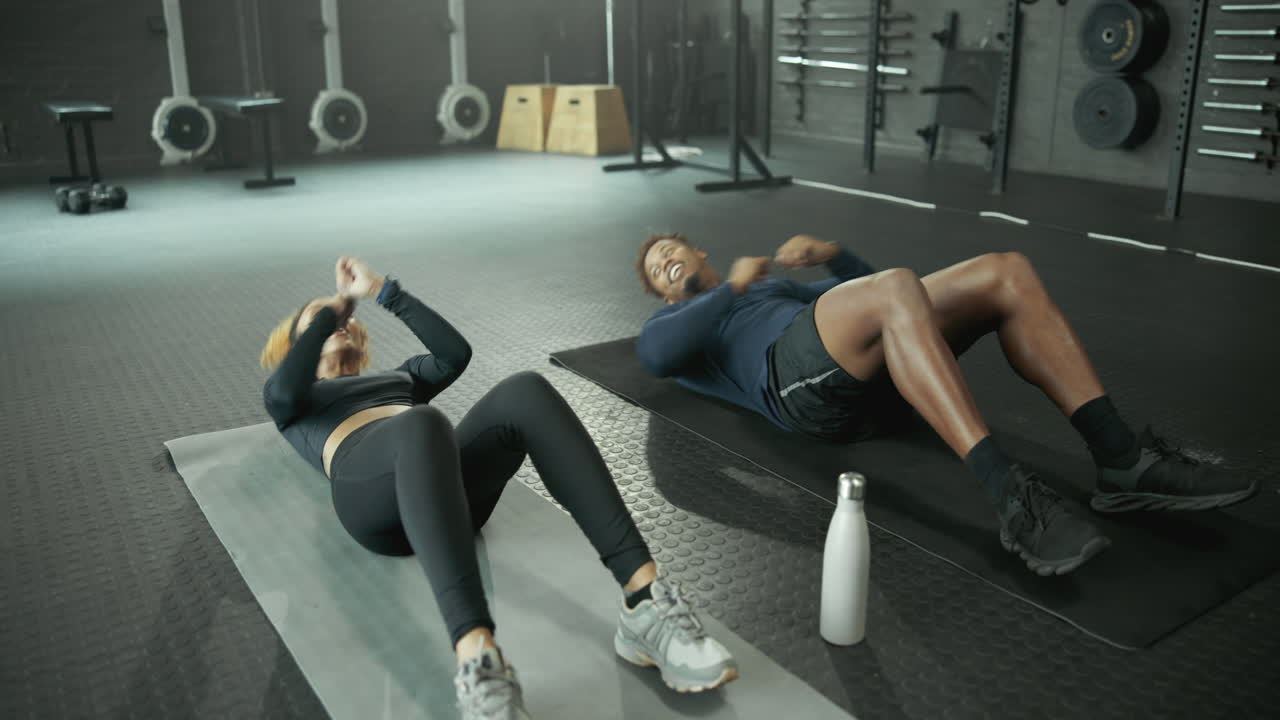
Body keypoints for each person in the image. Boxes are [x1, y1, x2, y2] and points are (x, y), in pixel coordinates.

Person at [260, 257, 738, 720]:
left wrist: (384, 291)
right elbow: (282, 390)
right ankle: (478, 659)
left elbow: (454, 355)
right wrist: (329, 313)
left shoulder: (399, 377)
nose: (339, 319)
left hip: (447, 495)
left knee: (524, 389)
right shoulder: (297, 403)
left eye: (344, 318)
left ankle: (644, 600)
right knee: (422, 423)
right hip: (372, 502)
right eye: (320, 320)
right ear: (299, 343)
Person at [635, 233, 1256, 577]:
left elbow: (896, 297)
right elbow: (657, 357)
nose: (667, 262)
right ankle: (1010, 497)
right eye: (658, 270)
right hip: (795, 385)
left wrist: (834, 256)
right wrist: (734, 287)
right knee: (895, 290)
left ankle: (1121, 459)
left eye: (671, 250)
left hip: (866, 373)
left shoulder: (769, 284)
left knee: (1006, 270)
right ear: (663, 294)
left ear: (700, 251)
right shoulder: (674, 327)